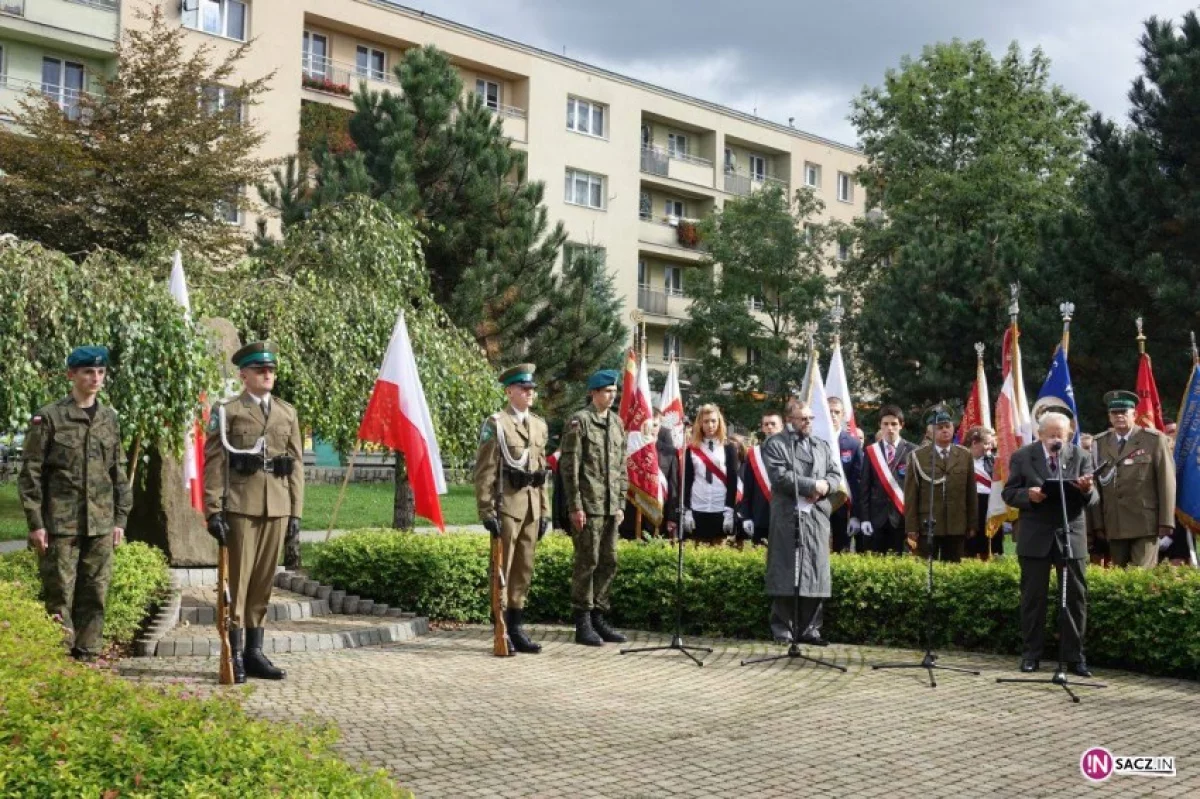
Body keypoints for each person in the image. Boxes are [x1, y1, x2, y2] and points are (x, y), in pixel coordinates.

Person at [19, 346, 133, 661]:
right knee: (59, 595)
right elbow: (30, 474)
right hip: (60, 523)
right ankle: (58, 658)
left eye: (100, 372)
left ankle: (87, 655)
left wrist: (120, 519)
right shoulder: (49, 417)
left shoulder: (109, 418)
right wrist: (36, 523)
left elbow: (118, 472)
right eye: (87, 372)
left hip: (100, 522)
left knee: (95, 594)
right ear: (72, 375)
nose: (95, 378)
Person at [204, 341, 304, 682]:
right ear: (243, 375)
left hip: (276, 506)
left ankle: (255, 651)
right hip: (241, 506)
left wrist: (296, 513)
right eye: (260, 370)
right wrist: (213, 509)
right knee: (240, 581)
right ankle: (234, 652)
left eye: (271, 370)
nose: (267, 375)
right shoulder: (227, 411)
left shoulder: (286, 412)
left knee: (262, 582)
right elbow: (215, 463)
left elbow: (296, 466)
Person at [1001, 411, 1098, 676]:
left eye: (1061, 434)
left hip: (1070, 533)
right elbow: (1008, 492)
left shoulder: (1081, 456)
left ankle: (1074, 658)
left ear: (1069, 435)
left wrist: (1087, 489)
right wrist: (1027, 495)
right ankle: (1031, 655)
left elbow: (1094, 498)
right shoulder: (1023, 456)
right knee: (1033, 598)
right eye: (1051, 434)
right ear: (1040, 434)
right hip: (1035, 536)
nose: (1057, 439)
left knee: (1075, 598)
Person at [474, 363, 551, 654]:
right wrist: (486, 510)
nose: (529, 393)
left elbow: (541, 473)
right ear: (509, 391)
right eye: (523, 388)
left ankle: (516, 627)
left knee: (523, 569)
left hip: (531, 507)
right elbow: (485, 472)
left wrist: (544, 511)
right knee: (502, 570)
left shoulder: (539, 425)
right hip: (507, 506)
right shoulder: (496, 424)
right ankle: (501, 628)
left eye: (531, 388)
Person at [761, 399, 844, 645]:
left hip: (816, 516)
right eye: (803, 418)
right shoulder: (775, 444)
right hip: (789, 516)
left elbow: (835, 473)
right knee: (786, 571)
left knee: (815, 571)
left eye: (810, 418)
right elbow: (780, 476)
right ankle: (783, 629)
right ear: (789, 420)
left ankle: (810, 629)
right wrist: (812, 485)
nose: (808, 422)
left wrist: (826, 485)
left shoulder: (822, 445)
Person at [560, 369, 629, 646]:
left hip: (611, 507)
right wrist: (576, 506)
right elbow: (570, 467)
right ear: (594, 393)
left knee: (609, 561)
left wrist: (621, 502)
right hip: (588, 506)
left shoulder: (616, 423)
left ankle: (599, 615)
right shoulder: (580, 421)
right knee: (586, 562)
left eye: (614, 392)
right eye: (606, 392)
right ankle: (583, 621)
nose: (611, 396)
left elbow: (622, 466)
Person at [1091, 390, 1176, 569]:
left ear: (1134, 415)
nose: (1119, 416)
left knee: (1141, 576)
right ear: (1109, 416)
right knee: (1119, 577)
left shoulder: (1153, 440)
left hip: (1145, 521)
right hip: (1114, 521)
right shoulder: (1100, 443)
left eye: (1124, 412)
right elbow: (1096, 485)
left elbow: (1166, 482)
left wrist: (1166, 521)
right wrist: (1098, 523)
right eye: (1115, 412)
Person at [903, 406, 977, 562]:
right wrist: (911, 526)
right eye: (940, 428)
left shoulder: (965, 455)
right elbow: (911, 495)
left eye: (948, 426)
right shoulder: (918, 456)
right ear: (930, 432)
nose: (945, 430)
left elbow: (971, 492)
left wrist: (972, 523)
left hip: (956, 523)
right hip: (928, 525)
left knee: (952, 570)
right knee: (926, 570)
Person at [859, 405, 916, 555]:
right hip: (877, 517)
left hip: (901, 517)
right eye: (885, 424)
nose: (890, 428)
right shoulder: (871, 451)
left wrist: (914, 521)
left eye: (894, 424)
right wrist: (864, 518)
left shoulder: (912, 451)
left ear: (901, 425)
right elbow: (865, 487)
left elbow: (916, 489)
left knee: (900, 564)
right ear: (880, 425)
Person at [682, 404, 740, 545]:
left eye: (713, 421)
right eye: (706, 421)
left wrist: (729, 510)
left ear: (719, 423)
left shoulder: (728, 448)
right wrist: (687, 510)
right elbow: (687, 480)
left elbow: (732, 481)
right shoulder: (692, 449)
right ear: (700, 424)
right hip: (697, 507)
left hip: (720, 508)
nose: (710, 425)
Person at [738, 411, 783, 547]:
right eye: (766, 424)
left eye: (773, 424)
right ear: (762, 428)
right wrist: (746, 516)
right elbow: (748, 488)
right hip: (760, 516)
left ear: (781, 426)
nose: (770, 427)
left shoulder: (791, 451)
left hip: (784, 517)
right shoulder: (754, 454)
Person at [827, 396, 863, 553]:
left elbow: (857, 482)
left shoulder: (852, 444)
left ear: (842, 415)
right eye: (829, 412)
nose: (833, 415)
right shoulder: (814, 440)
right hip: (818, 504)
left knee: (841, 551)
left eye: (836, 412)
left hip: (843, 506)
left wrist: (855, 514)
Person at [963, 426, 998, 559]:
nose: (990, 447)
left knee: (989, 544)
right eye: (986, 443)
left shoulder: (993, 461)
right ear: (974, 443)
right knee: (970, 544)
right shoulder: (959, 459)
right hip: (969, 505)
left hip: (989, 505)